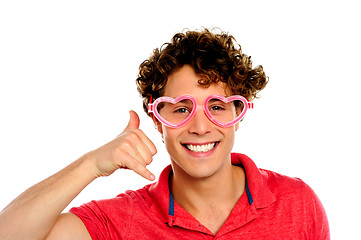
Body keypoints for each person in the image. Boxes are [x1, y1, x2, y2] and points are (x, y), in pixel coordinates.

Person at [0, 28, 330, 239]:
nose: (201, 127)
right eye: (181, 109)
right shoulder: (121, 221)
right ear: (157, 119)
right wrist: (91, 164)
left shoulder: (297, 204)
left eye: (216, 106)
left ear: (238, 114)